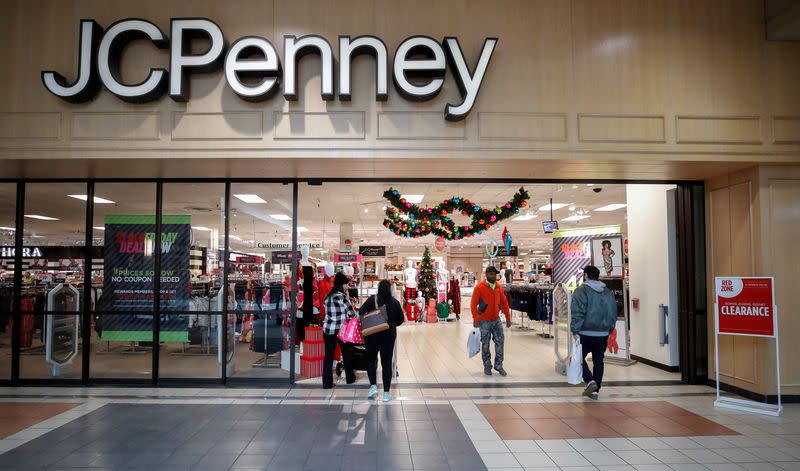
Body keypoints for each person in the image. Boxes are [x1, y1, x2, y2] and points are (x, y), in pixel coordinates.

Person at [570, 265, 618, 400]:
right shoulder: (607, 292)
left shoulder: (581, 291)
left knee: (578, 358)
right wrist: (609, 328)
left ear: (585, 275)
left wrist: (575, 329)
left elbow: (577, 312)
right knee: (599, 361)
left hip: (585, 332)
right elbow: (613, 312)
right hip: (602, 333)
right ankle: (595, 389)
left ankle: (590, 382)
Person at [359, 279, 404, 402]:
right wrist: (391, 324)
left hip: (372, 335)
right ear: (390, 289)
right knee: (386, 363)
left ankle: (373, 386)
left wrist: (372, 317)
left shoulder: (372, 299)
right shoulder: (395, 302)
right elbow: (401, 320)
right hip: (388, 336)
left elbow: (361, 312)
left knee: (371, 360)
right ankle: (386, 393)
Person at [470, 266, 511, 376]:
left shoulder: (498, 287)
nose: (494, 276)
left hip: (496, 320)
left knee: (500, 342)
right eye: (492, 274)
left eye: (495, 274)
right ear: (487, 274)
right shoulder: (479, 287)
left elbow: (504, 303)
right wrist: (475, 318)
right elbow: (473, 304)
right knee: (485, 344)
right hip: (484, 321)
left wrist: (508, 318)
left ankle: (499, 365)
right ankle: (487, 366)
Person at [322, 272, 357, 389]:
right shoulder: (342, 298)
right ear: (342, 285)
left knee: (328, 356)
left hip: (328, 330)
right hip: (341, 331)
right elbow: (353, 314)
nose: (347, 286)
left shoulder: (327, 297)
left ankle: (327, 383)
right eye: (346, 284)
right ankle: (350, 378)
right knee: (346, 353)